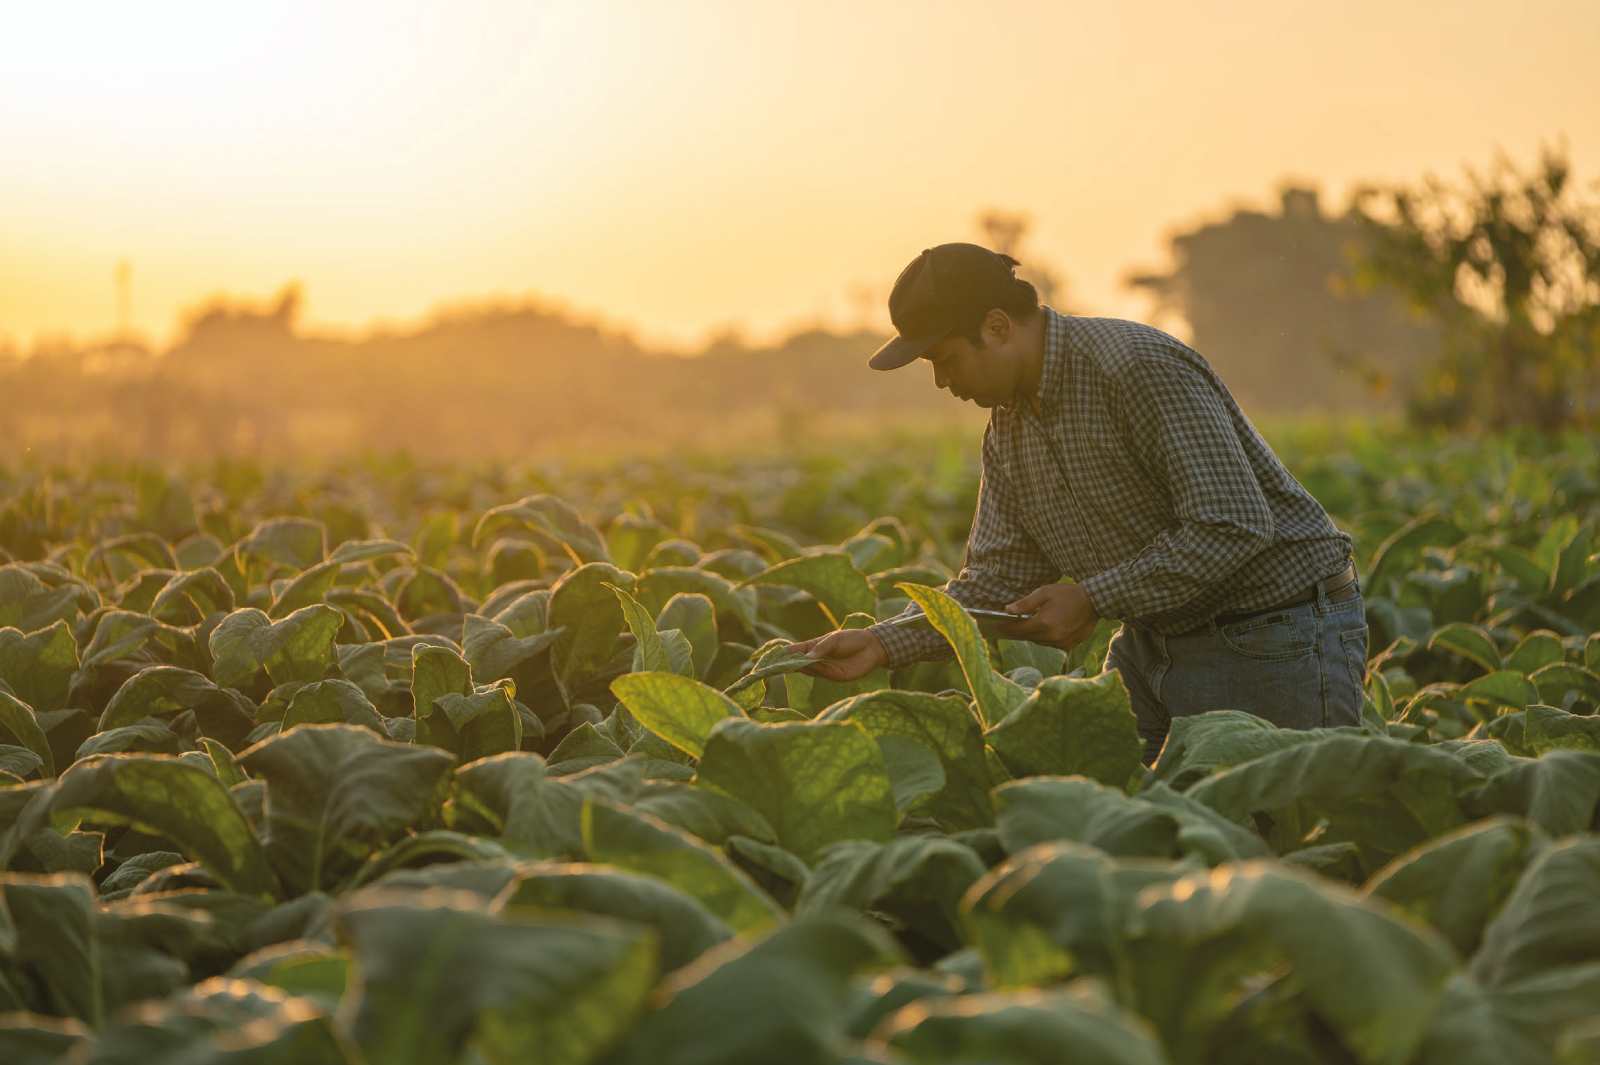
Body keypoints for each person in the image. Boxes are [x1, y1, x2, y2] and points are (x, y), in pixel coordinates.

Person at [787, 242, 1367, 764]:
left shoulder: (1135, 368)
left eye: (944, 360)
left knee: (1272, 853)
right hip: (1154, 642)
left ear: (996, 327)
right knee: (1116, 828)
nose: (942, 382)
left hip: (1275, 634)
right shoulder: (1008, 428)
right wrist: (883, 642)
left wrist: (1095, 596)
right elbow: (997, 579)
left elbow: (1233, 524)